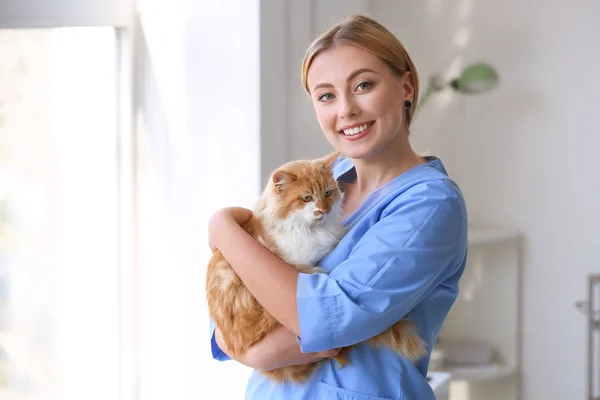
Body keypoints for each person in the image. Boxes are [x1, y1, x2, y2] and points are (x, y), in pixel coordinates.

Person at [208, 14, 468, 400]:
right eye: (326, 95)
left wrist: (223, 230)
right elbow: (234, 306)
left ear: (407, 86)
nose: (345, 109)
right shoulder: (327, 180)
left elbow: (323, 319)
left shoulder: (429, 205)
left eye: (363, 85)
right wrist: (250, 348)